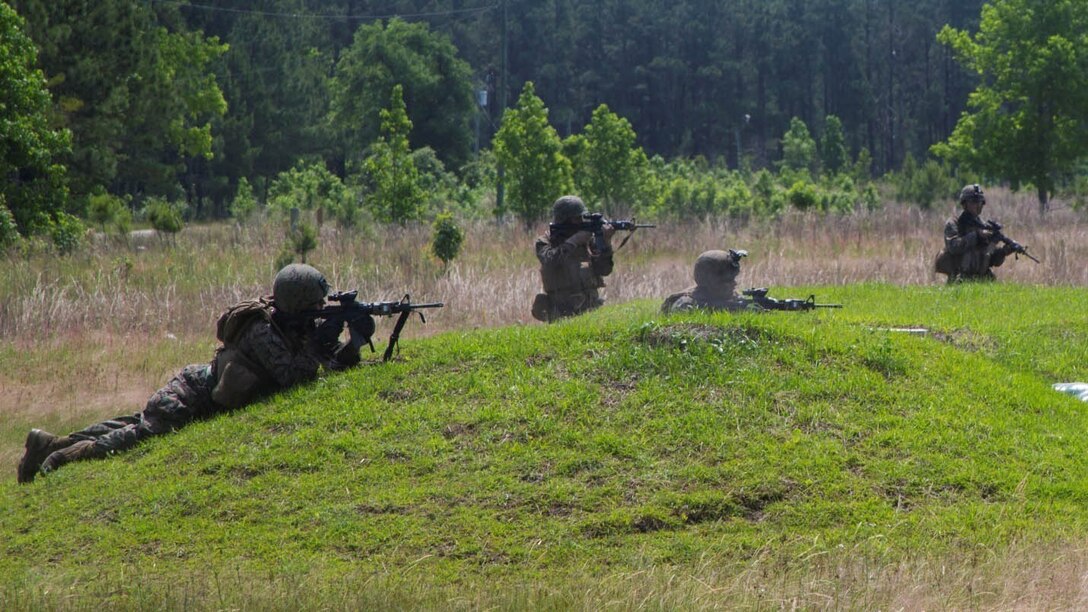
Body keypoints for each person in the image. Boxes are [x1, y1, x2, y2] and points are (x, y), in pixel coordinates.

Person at [16, 263, 370, 483]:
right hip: (190, 396)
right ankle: (63, 457)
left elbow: (325, 364)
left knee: (135, 421)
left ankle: (52, 442)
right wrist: (321, 340)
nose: (320, 310)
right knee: (139, 434)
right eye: (315, 306)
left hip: (196, 389)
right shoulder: (262, 329)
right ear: (297, 303)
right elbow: (296, 377)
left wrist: (352, 344)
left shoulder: (289, 324)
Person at [531, 195, 615, 322]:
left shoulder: (586, 241)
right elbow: (549, 261)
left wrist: (606, 243)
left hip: (591, 310)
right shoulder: (545, 241)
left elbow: (604, 270)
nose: (581, 221)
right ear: (564, 220)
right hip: (561, 313)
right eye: (577, 218)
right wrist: (573, 241)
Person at [935, 184, 1016, 282]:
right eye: (974, 201)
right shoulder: (954, 223)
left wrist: (1004, 252)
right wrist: (976, 236)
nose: (978, 205)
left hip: (984, 279)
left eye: (980, 202)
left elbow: (991, 259)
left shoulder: (984, 225)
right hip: (960, 279)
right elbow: (953, 247)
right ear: (964, 204)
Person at [662, 249, 749, 313]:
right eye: (728, 280)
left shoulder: (736, 299)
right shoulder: (685, 306)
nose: (734, 283)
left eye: (734, 278)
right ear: (710, 281)